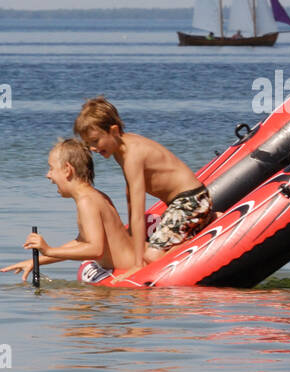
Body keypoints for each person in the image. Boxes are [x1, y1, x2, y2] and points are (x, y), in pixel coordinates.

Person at [74, 96, 213, 271]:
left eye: (95, 141)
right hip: (181, 202)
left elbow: (139, 212)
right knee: (148, 246)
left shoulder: (133, 156)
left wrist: (137, 264)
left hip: (191, 200)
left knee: (151, 255)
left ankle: (201, 236)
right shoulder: (121, 149)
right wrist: (131, 234)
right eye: (89, 144)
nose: (93, 148)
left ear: (114, 131)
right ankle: (202, 223)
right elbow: (130, 193)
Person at [0, 138, 138, 283]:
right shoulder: (95, 196)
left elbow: (96, 250)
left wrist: (48, 250)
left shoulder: (87, 202)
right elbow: (81, 243)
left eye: (51, 168)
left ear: (67, 170)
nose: (48, 175)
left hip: (129, 273)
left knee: (61, 304)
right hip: (126, 265)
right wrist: (36, 261)